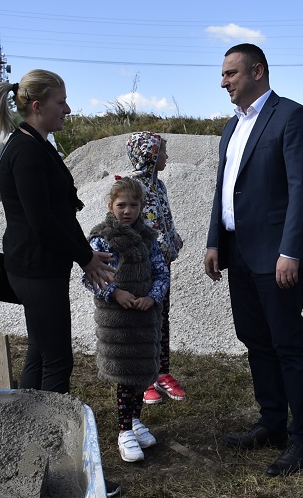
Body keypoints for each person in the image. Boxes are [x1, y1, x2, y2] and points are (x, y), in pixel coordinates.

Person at [0, 70, 121, 497]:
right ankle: (52, 474)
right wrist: (85, 258)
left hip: (41, 268)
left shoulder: (36, 145)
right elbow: (43, 222)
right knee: (58, 363)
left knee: (41, 357)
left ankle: (26, 462)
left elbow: (60, 214)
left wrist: (85, 254)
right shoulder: (25, 151)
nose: (69, 108)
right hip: (36, 270)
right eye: (62, 101)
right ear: (38, 106)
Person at [204, 43, 303, 477]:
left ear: (257, 71)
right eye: (222, 74)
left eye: (230, 73)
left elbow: (301, 189)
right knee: (255, 339)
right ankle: (272, 423)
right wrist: (215, 240)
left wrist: (290, 251)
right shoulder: (230, 128)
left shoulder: (290, 117)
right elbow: (224, 189)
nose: (223, 82)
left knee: (287, 344)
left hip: (277, 257)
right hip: (239, 253)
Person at [85, 176, 170, 463]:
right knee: (125, 376)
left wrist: (153, 297)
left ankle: (134, 420)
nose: (127, 211)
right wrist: (114, 293)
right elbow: (92, 277)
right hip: (117, 320)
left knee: (142, 373)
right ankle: (123, 432)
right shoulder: (102, 237)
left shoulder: (149, 238)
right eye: (122, 205)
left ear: (142, 207)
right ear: (111, 206)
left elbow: (161, 273)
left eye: (134, 205)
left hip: (145, 318)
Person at [124, 132, 187, 406]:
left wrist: (173, 238)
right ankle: (145, 377)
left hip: (163, 266)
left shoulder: (158, 185)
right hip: (142, 269)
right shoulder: (133, 187)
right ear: (149, 154)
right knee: (144, 321)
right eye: (162, 152)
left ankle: (162, 372)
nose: (166, 157)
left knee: (162, 319)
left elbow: (164, 219)